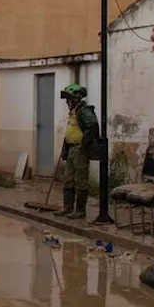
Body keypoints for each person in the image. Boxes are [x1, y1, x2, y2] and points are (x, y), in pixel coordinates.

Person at [54, 83, 99, 220]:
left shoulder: (84, 111)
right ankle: (67, 207)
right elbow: (70, 133)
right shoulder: (73, 112)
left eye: (68, 99)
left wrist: (84, 145)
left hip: (80, 149)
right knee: (68, 179)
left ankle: (80, 210)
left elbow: (92, 126)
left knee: (81, 180)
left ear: (75, 99)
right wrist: (64, 151)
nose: (67, 102)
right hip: (71, 149)